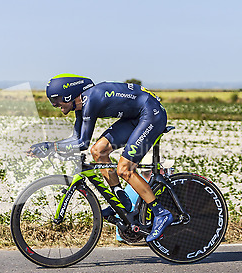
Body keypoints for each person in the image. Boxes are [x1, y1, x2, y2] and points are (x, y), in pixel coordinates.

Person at [28, 74, 173, 242]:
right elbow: (76, 139)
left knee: (125, 170)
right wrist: (49, 145)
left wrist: (51, 147)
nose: (55, 105)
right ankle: (120, 202)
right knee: (98, 151)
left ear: (68, 95)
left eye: (57, 101)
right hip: (135, 117)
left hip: (151, 115)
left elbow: (82, 142)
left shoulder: (92, 100)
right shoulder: (81, 105)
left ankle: (161, 213)